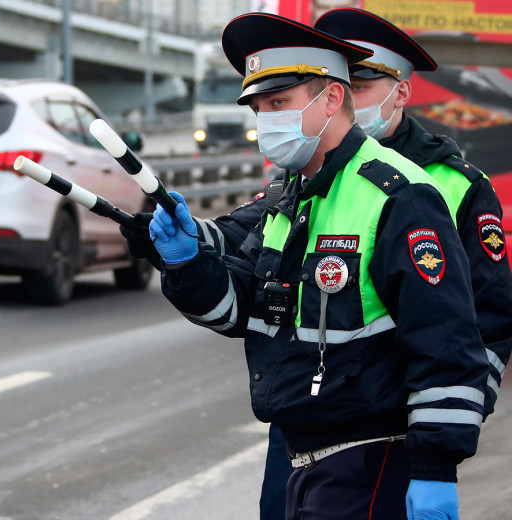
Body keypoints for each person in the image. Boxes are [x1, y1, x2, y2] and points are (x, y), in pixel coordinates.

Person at [122, 9, 512, 519]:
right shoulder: (296, 190)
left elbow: (455, 335)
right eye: (259, 107)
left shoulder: (406, 191)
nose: (268, 120)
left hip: (371, 450)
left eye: (279, 102)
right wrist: (186, 259)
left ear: (335, 97)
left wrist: (437, 454)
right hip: (305, 447)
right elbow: (253, 305)